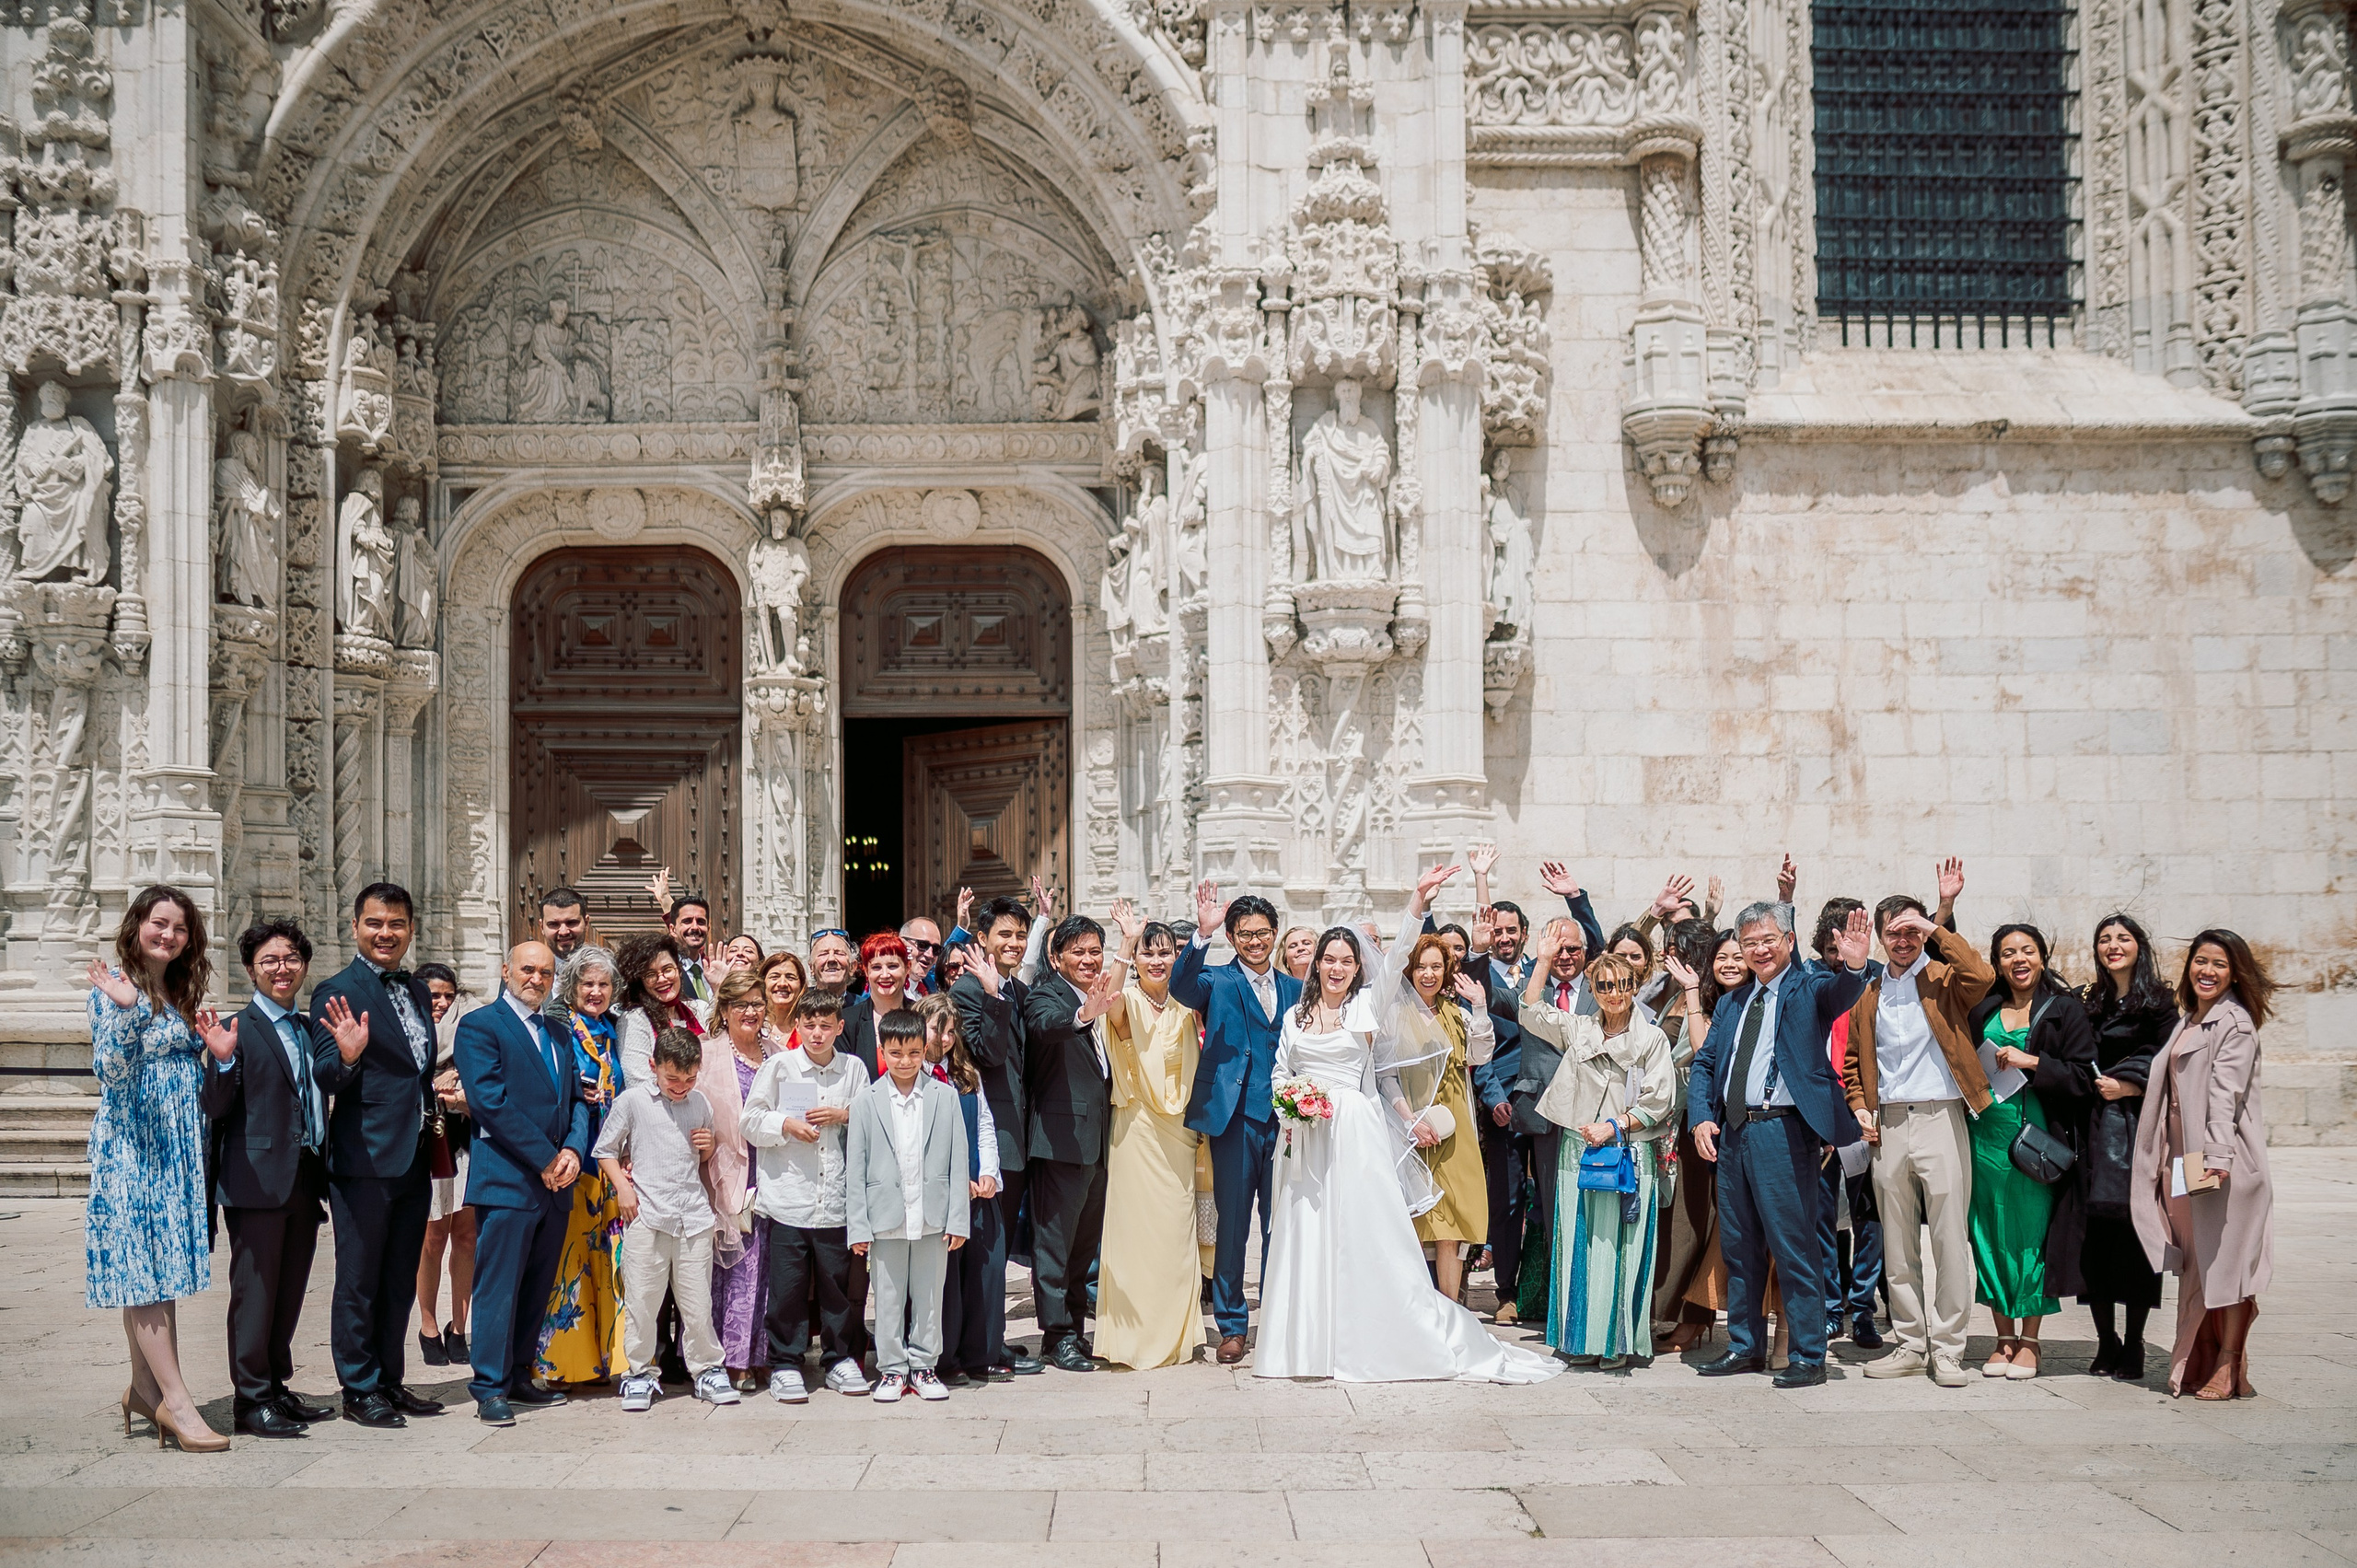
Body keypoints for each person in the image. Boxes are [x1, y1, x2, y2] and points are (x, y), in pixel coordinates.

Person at [1255, 872, 1562, 1384]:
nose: (1336, 967)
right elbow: (1280, 1072)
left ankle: (1372, 1335)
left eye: (1346, 961)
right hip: (1304, 1138)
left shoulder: (1369, 1006)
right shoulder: (1294, 1017)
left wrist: (1418, 901)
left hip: (1352, 1131)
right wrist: (1291, 1100)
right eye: (1328, 959)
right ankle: (1306, 1343)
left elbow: (1397, 954)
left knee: (1362, 1237)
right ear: (1315, 964)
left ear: (1357, 970)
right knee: (1308, 1234)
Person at [1688, 900, 1872, 1388]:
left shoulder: (1807, 988)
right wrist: (1702, 1118)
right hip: (1732, 1133)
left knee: (1794, 1246)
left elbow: (1843, 991)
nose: (1759, 950)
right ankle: (1745, 1346)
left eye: (1768, 940)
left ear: (1788, 941)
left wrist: (1855, 964)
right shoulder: (1732, 1002)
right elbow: (1706, 1064)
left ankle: (1809, 1354)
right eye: (1750, 943)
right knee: (1739, 1247)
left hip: (1784, 1132)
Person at [85, 886, 226, 1452]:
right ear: (136, 924)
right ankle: (178, 1403)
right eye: (158, 923)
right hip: (132, 1149)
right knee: (142, 1273)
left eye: (180, 928)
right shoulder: (113, 988)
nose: (168, 935)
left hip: (176, 1151)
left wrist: (219, 1055)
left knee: (156, 1275)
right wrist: (125, 1012)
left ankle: (144, 1389)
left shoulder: (178, 988)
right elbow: (111, 1073)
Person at [198, 920, 351, 1439]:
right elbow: (215, 1109)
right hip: (255, 1181)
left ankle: (276, 1387)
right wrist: (219, 1065)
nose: (281, 969)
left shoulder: (311, 1027)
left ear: (305, 966)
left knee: (289, 1290)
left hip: (306, 1175)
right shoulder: (238, 1031)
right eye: (269, 960)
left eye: (290, 959)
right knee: (256, 1292)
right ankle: (250, 1399)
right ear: (250, 969)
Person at [1842, 878, 1996, 1388]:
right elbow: (1852, 1062)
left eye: (1911, 930)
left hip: (1940, 1117)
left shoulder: (1943, 978)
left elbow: (1983, 974)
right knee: (1897, 1241)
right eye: (1895, 931)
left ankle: (1949, 1348)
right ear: (1883, 938)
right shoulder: (1870, 992)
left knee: (1951, 1237)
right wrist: (1860, 1106)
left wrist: (1935, 926)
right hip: (1888, 1124)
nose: (1903, 939)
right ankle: (1910, 1341)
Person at [311, 882, 447, 1429]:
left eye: (396, 924)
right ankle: (359, 1387)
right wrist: (345, 1056)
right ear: (355, 927)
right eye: (374, 923)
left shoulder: (416, 990)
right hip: (364, 1158)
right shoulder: (336, 990)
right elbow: (325, 1073)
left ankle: (390, 1379)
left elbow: (414, 1067)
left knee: (397, 1278)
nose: (385, 933)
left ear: (411, 930)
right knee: (360, 1277)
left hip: (413, 1155)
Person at [2132, 929, 2275, 1400]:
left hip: (2224, 1167)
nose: (2207, 971)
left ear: (2235, 973)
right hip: (2189, 1163)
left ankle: (2228, 1364)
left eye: (2219, 964)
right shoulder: (2191, 1019)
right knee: (2201, 1266)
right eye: (2200, 961)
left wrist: (2215, 1159)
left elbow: (2225, 1097)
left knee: (2228, 1268)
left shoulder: (2235, 1024)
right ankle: (2208, 1354)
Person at [451, 942, 588, 1425]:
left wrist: (572, 1150)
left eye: (546, 972)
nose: (537, 979)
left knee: (536, 1285)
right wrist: (546, 1159)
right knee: (498, 1287)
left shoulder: (558, 1031)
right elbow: (490, 1102)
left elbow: (576, 1100)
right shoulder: (480, 1026)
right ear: (506, 970)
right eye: (528, 969)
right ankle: (489, 1386)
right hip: (509, 1179)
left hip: (556, 1182)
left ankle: (521, 1374)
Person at [1171, 883, 1302, 1365]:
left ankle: (1280, 1317)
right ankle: (1231, 1326)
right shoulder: (1216, 981)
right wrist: (1200, 935)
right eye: (1244, 934)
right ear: (1231, 935)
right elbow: (1180, 988)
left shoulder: (1295, 989)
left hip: (1286, 1121)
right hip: (1234, 1120)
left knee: (1280, 1225)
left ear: (1275, 934)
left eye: (1263, 933)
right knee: (1233, 1228)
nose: (1254, 941)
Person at [1527, 946, 1675, 1366]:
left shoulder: (1651, 1038)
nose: (1614, 994)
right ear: (1594, 988)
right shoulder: (1579, 1029)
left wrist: (1613, 1126)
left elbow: (1660, 1098)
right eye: (1605, 986)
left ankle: (1614, 1344)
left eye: (1622, 985)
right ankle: (1580, 1340)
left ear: (1634, 986)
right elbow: (1531, 1011)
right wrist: (1541, 961)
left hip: (1626, 1152)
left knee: (1618, 1246)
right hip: (1577, 1149)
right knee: (1578, 1243)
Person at [1962, 923, 2095, 1379]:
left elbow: (2083, 1076)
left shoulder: (2064, 1010)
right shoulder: (1984, 1010)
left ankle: (2031, 1340)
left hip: (2037, 1141)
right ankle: (2002, 1337)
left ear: (2042, 957)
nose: (2018, 959)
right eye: (2007, 953)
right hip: (1986, 1139)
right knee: (1988, 1235)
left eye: (2027, 951)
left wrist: (2032, 1061)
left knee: (2031, 1238)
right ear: (1997, 963)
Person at [596, 1027, 734, 1410]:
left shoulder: (700, 1103)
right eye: (673, 1078)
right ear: (653, 1066)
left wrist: (707, 1148)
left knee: (697, 1303)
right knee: (642, 1300)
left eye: (690, 1078)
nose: (680, 1086)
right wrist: (624, 1189)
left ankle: (707, 1369)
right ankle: (639, 1373)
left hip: (693, 1215)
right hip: (648, 1213)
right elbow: (605, 1149)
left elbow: (702, 1159)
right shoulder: (633, 1102)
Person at [744, 987, 870, 1401]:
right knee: (788, 1288)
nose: (817, 1034)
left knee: (837, 1288)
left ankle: (839, 1359)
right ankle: (785, 1362)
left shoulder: (853, 1070)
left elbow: (872, 1118)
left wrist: (845, 1114)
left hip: (834, 1199)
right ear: (798, 1026)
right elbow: (751, 1120)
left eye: (825, 1026)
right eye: (809, 1025)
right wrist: (785, 1126)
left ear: (839, 1027)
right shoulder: (780, 1067)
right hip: (790, 1197)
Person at [1097, 909, 1207, 1370]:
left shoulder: (1187, 1006)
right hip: (1137, 1130)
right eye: (1150, 952)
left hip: (1179, 1132)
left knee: (1176, 1235)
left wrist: (1203, 932)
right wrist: (1125, 942)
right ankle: (1132, 1338)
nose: (1158, 960)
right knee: (1134, 1235)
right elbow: (1109, 1000)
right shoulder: (1129, 1002)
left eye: (1166, 952)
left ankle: (1177, 1333)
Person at [848, 1009, 973, 1402]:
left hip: (931, 1217)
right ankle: (891, 1369)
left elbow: (958, 1159)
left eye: (914, 1053)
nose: (905, 1061)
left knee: (929, 1296)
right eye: (897, 1053)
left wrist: (958, 1219)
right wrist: (858, 1226)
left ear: (925, 1050)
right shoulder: (866, 1100)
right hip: (885, 1218)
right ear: (883, 1050)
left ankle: (923, 1365)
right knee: (887, 1297)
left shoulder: (944, 1096)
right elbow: (856, 1166)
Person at [1021, 914, 1127, 1371]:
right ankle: (1055, 1335)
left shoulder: (1097, 997)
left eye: (1094, 950)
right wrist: (1084, 1015)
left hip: (1097, 1144)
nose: (1088, 959)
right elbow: (1047, 1027)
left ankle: (1076, 1333)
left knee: (1085, 1247)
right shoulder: (1048, 996)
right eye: (1078, 951)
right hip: (1060, 1142)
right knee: (1055, 1246)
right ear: (1056, 957)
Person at [2077, 912, 2172, 1380]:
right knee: (2095, 1239)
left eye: (2123, 938)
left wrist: (2131, 1086)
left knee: (2135, 1236)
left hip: (2137, 1130)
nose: (2113, 945)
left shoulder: (2159, 1002)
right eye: (2104, 939)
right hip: (2094, 1130)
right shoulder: (2090, 1000)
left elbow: (2169, 1054)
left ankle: (2133, 1342)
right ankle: (2105, 1339)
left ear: (2139, 946)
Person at [950, 894, 1043, 1376]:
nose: (1013, 942)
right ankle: (980, 1353)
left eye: (1020, 935)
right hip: (989, 1140)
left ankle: (992, 1343)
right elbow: (985, 1056)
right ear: (981, 939)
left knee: (999, 1251)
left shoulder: (1016, 990)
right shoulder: (969, 991)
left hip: (1017, 1137)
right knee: (985, 1253)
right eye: (1003, 934)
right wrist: (992, 997)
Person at [1385, 928, 1494, 1304]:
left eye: (1436, 967)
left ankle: (1451, 1312)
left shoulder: (1455, 1013)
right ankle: (1415, 1313)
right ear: (1409, 970)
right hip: (1410, 1129)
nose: (1428, 974)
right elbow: (1385, 1076)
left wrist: (1479, 1007)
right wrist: (1408, 1120)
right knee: (1414, 1224)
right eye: (1420, 966)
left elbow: (1480, 1056)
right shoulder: (1393, 1015)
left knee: (1453, 1227)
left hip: (1455, 1127)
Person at [536, 946, 626, 1388]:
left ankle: (604, 1360)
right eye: (587, 984)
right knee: (570, 1263)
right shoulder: (557, 1030)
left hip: (611, 1161)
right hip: (575, 1153)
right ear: (571, 988)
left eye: (603, 984)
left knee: (606, 1262)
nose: (595, 991)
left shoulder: (614, 1030)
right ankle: (565, 1364)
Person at [1653, 926, 1741, 1352]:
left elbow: (1704, 1049)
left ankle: (1696, 1317)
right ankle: (1686, 1314)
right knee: (1686, 1221)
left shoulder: (1734, 999)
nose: (1729, 964)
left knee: (1703, 1222)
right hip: (1686, 1120)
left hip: (1722, 1123)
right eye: (1722, 957)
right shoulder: (1686, 995)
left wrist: (1691, 991)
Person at [919, 991, 1003, 1384]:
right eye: (939, 1029)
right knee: (945, 1284)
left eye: (952, 1031)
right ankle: (943, 1358)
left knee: (982, 1276)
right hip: (940, 1194)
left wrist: (989, 1173)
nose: (946, 1039)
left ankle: (980, 1353)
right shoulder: (912, 1077)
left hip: (977, 1190)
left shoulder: (964, 1074)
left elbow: (983, 1125)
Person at [704, 969, 777, 1388]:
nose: (750, 1011)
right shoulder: (709, 1052)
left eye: (756, 1003)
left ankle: (761, 1353)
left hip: (772, 1173)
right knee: (732, 1270)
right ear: (725, 1009)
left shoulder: (777, 1051)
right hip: (725, 1173)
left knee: (768, 1269)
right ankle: (730, 1359)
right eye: (740, 1004)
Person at [416, 962, 477, 1370]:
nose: (440, 1003)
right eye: (433, 995)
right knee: (433, 1238)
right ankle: (428, 1326)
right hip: (429, 1145)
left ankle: (460, 1326)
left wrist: (461, 1077)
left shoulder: (471, 1033)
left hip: (467, 1141)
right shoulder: (408, 1035)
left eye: (447, 995)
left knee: (467, 1235)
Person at [615, 932, 703, 1089]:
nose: (662, 979)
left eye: (667, 969)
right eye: (650, 974)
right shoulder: (634, 1020)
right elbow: (639, 1083)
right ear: (640, 981)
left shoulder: (698, 1010)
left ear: (679, 969)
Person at [843, 932, 917, 1077]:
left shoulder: (922, 1015)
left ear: (907, 968)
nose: (885, 975)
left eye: (892, 966)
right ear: (866, 971)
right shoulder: (847, 1022)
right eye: (876, 967)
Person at [538, 888, 589, 965]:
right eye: (554, 924)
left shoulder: (606, 971)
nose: (563, 932)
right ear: (542, 927)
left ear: (586, 923)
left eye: (571, 922)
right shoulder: (529, 973)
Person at [901, 917, 946, 993]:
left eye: (936, 949)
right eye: (922, 945)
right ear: (902, 943)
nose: (930, 955)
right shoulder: (884, 987)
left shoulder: (932, 986)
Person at [808, 928, 856, 993]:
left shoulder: (865, 1002)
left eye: (839, 953)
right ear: (811, 967)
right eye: (823, 954)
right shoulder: (798, 1002)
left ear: (852, 967)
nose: (831, 959)